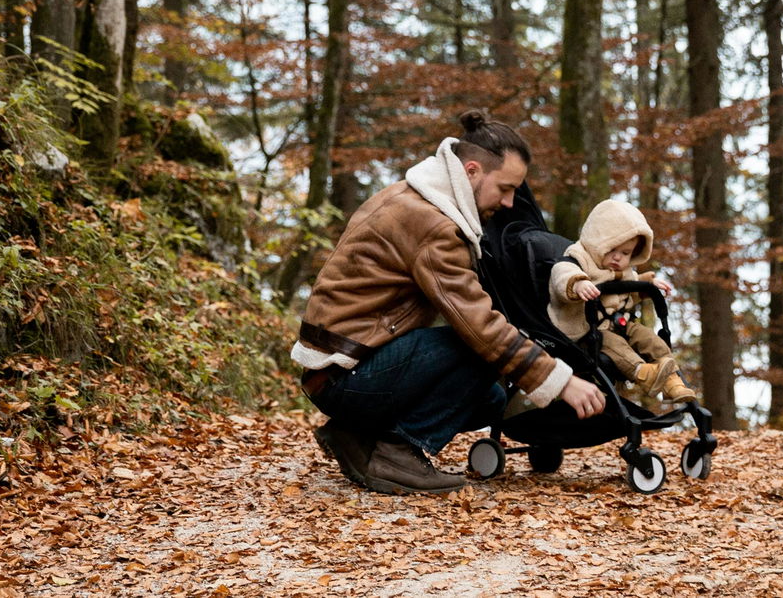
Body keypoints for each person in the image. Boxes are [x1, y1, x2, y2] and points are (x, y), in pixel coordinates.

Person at [292, 111, 607, 494]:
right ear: (472, 171)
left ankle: (355, 435)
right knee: (480, 347)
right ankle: (398, 450)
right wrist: (560, 381)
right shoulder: (433, 224)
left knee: (490, 399)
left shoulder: (412, 196)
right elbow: (479, 325)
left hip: (342, 368)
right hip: (345, 377)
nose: (509, 203)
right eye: (505, 188)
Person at [547, 198, 696, 404]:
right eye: (612, 250)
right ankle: (645, 374)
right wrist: (578, 283)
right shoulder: (579, 258)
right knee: (614, 344)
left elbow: (630, 286)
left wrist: (646, 285)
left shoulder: (622, 270)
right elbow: (561, 273)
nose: (618, 258)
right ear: (597, 242)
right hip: (587, 332)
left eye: (625, 253)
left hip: (619, 323)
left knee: (649, 337)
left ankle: (672, 380)